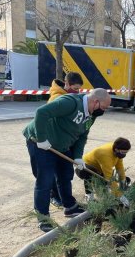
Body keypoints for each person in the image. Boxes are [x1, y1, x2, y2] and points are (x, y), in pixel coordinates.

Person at [23, 88, 111, 232]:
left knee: (65, 175)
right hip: (41, 143)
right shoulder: (69, 103)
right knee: (45, 180)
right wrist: (42, 138)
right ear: (95, 102)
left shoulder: (91, 114)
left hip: (62, 145)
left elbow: (82, 136)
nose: (104, 111)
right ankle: (43, 218)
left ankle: (70, 207)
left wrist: (77, 156)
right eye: (104, 107)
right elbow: (41, 112)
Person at [46, 72, 84, 208]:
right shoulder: (57, 98)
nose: (77, 91)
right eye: (74, 88)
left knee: (65, 173)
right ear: (67, 84)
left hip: (65, 142)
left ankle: (64, 197)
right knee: (56, 172)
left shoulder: (70, 97)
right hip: (53, 142)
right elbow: (46, 117)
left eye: (79, 89)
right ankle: (54, 196)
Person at [75, 137, 131, 207]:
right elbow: (109, 178)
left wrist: (123, 184)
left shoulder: (117, 153)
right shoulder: (105, 155)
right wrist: (120, 196)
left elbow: (120, 169)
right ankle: (89, 196)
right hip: (82, 168)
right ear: (116, 149)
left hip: (98, 169)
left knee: (104, 183)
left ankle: (104, 195)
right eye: (123, 152)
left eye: (126, 152)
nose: (124, 154)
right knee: (90, 173)